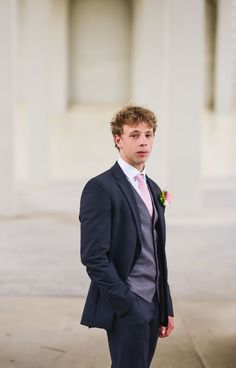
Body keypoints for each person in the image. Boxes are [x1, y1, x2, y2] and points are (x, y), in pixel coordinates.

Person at [79, 105, 174, 368]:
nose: (143, 141)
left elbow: (156, 251)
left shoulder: (154, 188)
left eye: (148, 134)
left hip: (154, 304)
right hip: (129, 304)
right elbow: (93, 257)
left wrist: (166, 306)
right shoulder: (100, 187)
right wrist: (126, 303)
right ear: (118, 139)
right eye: (134, 135)